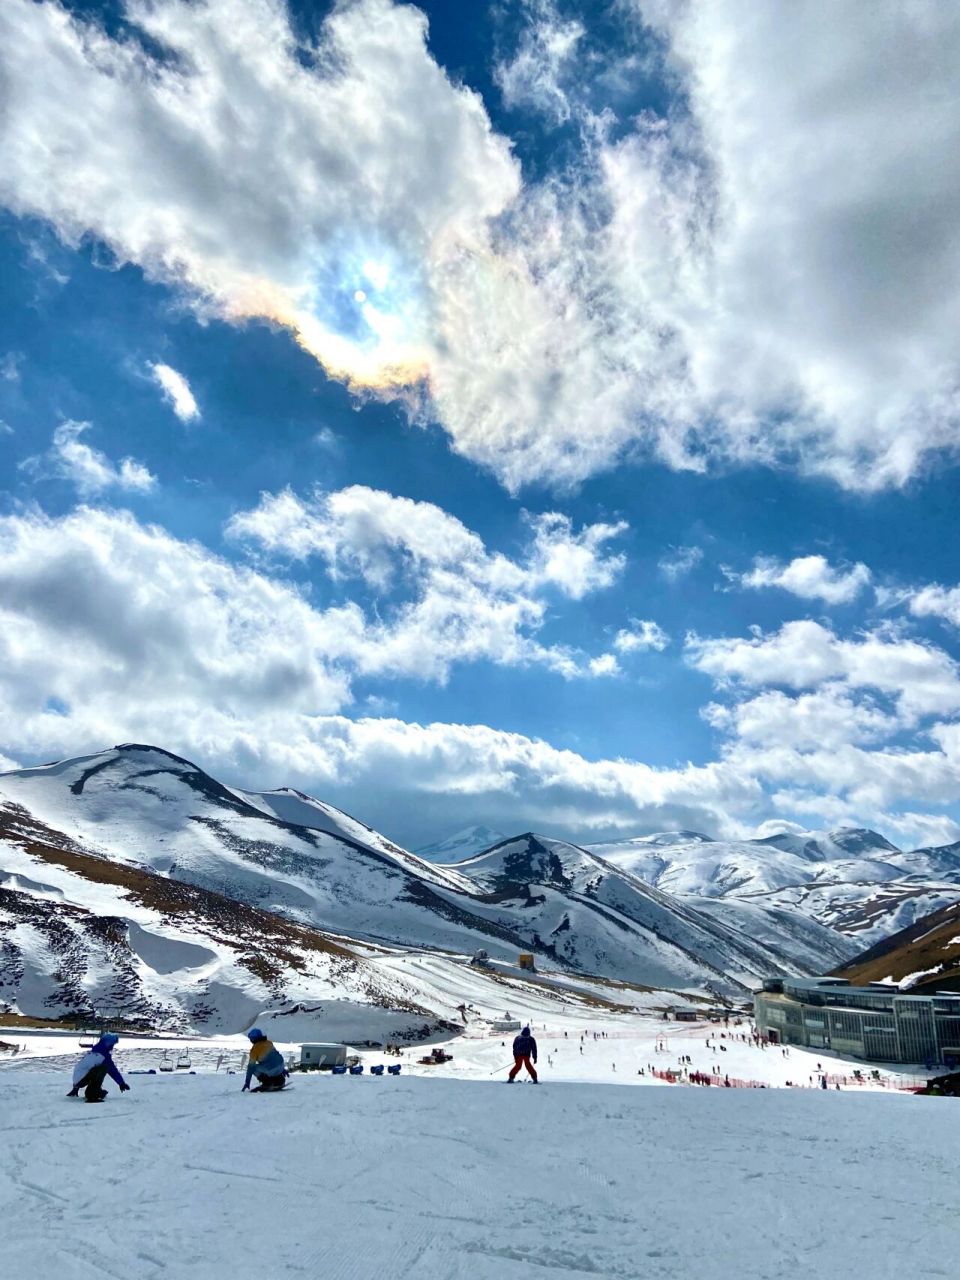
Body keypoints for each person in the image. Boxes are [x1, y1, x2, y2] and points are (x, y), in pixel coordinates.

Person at [67, 1033, 130, 1102]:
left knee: (96, 1069)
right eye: (112, 1044)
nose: (112, 1047)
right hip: (82, 1080)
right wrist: (121, 1083)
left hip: (77, 1081)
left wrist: (75, 1088)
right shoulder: (103, 1055)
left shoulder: (93, 1052)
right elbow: (112, 1070)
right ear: (108, 1044)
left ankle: (96, 1090)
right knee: (103, 1068)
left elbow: (82, 1068)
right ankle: (92, 1094)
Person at [242, 1028, 287, 1092]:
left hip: (271, 1069)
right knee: (265, 1064)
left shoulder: (254, 1049)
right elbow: (275, 1057)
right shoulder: (269, 1043)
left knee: (254, 1068)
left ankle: (267, 1083)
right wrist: (282, 1069)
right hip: (281, 1065)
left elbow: (251, 1067)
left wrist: (247, 1082)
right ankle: (280, 1080)